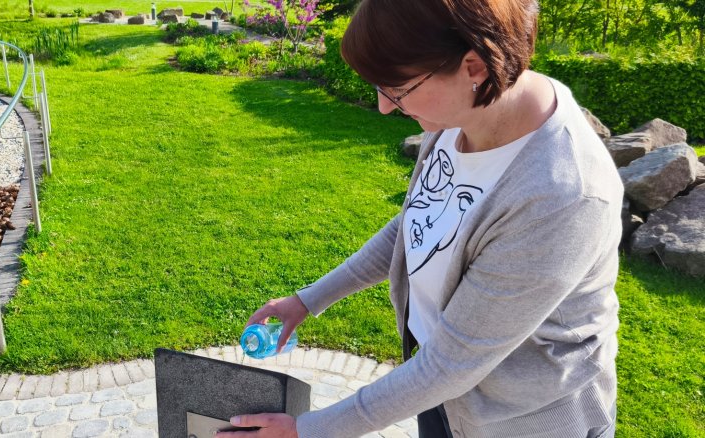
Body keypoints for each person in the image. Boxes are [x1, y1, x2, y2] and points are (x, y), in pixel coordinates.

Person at [215, 0, 622, 437]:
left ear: (474, 66)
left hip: (523, 421)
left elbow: (451, 363)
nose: (385, 108)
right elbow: (416, 225)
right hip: (443, 393)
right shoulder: (463, 116)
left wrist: (308, 431)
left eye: (398, 90)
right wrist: (309, 300)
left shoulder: (561, 196)